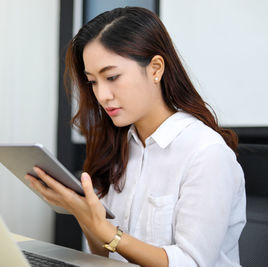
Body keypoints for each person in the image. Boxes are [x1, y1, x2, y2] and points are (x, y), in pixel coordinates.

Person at [25, 6, 246, 267]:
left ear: (155, 68)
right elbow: (104, 257)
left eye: (112, 77)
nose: (102, 95)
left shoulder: (205, 153)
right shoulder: (116, 148)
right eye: (93, 82)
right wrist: (83, 214)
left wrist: (108, 232)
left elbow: (191, 263)